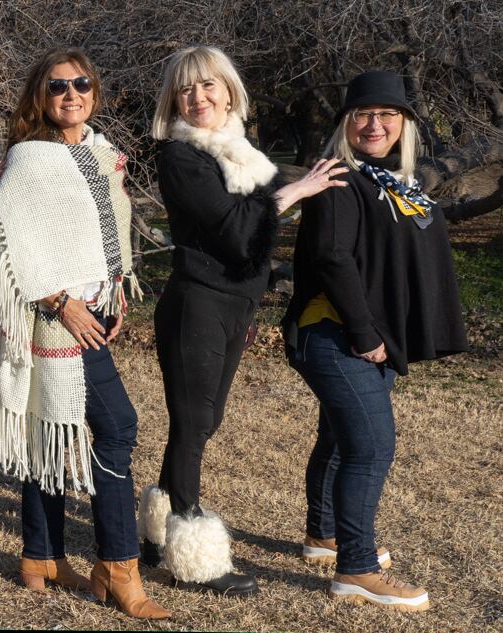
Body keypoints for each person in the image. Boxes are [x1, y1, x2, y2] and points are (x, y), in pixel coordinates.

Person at [137, 46, 350, 597]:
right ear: (173, 100)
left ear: (229, 92)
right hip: (197, 303)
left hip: (235, 304)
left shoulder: (239, 153)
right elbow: (237, 231)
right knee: (192, 423)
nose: (198, 98)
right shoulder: (181, 158)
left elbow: (253, 241)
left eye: (208, 86)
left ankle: (155, 529)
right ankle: (193, 556)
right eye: (186, 90)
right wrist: (296, 192)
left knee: (205, 422)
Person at [0, 48, 168, 620]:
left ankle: (41, 555)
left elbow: (109, 226)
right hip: (54, 316)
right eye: (58, 86)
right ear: (41, 95)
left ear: (95, 91)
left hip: (96, 306)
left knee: (49, 429)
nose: (71, 93)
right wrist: (61, 302)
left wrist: (116, 285)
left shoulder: (102, 152)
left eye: (81, 84)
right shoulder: (29, 159)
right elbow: (5, 243)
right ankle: (119, 564)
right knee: (117, 427)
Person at [282, 70, 466, 612]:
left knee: (342, 438)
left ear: (405, 123)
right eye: (363, 114)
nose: (375, 124)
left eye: (388, 115)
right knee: (371, 446)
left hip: (368, 336)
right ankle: (356, 569)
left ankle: (324, 535)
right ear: (346, 123)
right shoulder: (340, 179)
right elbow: (332, 258)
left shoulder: (393, 180)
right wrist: (366, 335)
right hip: (338, 334)